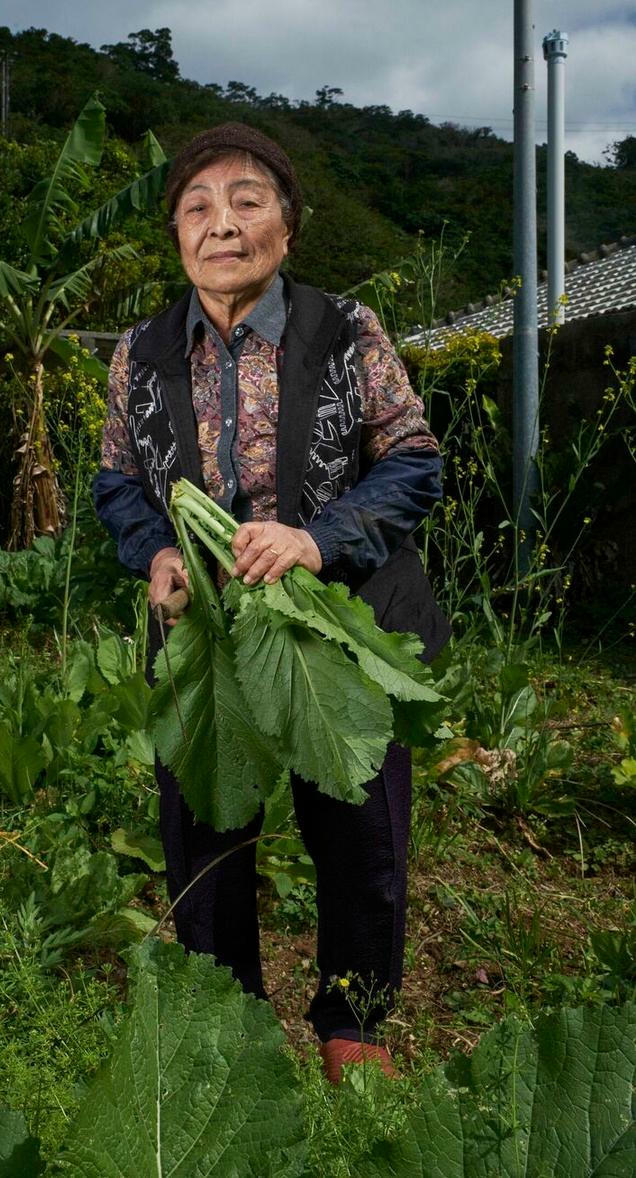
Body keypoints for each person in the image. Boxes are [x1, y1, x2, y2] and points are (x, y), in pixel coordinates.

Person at [93, 123, 449, 1083]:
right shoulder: (141, 352)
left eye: (248, 202)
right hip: (205, 633)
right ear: (177, 235)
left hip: (339, 622)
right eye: (198, 207)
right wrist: (157, 552)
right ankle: (231, 1027)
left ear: (286, 228)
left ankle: (354, 1027)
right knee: (203, 829)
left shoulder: (345, 330)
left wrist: (314, 540)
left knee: (360, 828)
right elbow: (117, 482)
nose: (223, 225)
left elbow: (414, 460)